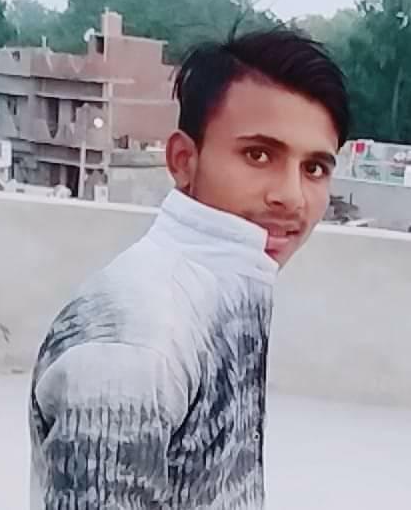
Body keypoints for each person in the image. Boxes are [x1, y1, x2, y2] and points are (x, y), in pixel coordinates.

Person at [29, 28, 350, 510]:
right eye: (258, 155)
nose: (291, 196)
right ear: (183, 160)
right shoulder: (134, 348)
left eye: (314, 168)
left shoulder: (229, 290)